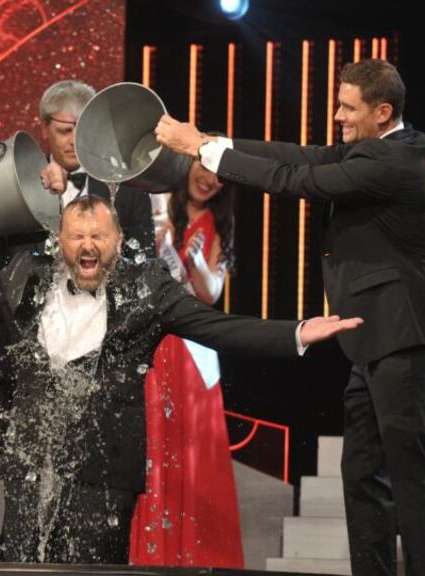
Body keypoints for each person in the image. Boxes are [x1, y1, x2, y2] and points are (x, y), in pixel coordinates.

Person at [0, 194, 363, 565]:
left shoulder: (151, 291)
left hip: (105, 471)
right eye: (76, 235)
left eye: (98, 235)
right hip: (29, 463)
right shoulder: (22, 278)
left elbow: (219, 328)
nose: (87, 246)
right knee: (22, 564)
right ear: (60, 241)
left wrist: (295, 332)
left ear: (118, 241)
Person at [156, 58, 425, 576]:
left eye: (347, 107)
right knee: (362, 472)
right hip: (373, 336)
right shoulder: (378, 145)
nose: (336, 115)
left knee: (408, 475)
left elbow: (298, 180)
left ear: (383, 112)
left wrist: (203, 152)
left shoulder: (392, 162)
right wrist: (215, 139)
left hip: (404, 335)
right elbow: (300, 154)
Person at [130, 159, 243, 567]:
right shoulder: (157, 208)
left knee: (192, 449)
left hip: (193, 349)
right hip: (155, 340)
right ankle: (148, 553)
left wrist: (193, 261)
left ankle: (194, 554)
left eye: (219, 176)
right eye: (204, 168)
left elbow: (211, 292)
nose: (209, 179)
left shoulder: (219, 226)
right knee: (153, 444)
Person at [0, 79, 155, 275]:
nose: (74, 141)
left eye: (83, 130)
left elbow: (145, 268)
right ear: (44, 129)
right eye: (65, 131)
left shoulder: (128, 190)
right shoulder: (17, 187)